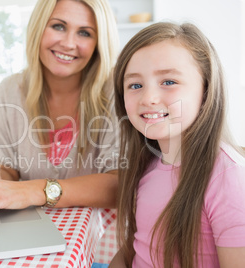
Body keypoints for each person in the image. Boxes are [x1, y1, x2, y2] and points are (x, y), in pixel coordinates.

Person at [0, 0, 120, 224]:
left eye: (85, 33)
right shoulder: (11, 90)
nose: (69, 43)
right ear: (39, 27)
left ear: (99, 42)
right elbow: (8, 167)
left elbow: (118, 185)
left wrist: (33, 191)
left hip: (99, 240)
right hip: (35, 230)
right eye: (58, 26)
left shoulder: (117, 91)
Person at [110, 22, 245, 268]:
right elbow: (136, 248)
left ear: (205, 91)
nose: (149, 98)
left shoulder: (229, 178)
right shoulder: (148, 161)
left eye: (169, 82)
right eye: (135, 85)